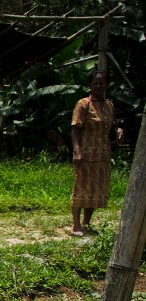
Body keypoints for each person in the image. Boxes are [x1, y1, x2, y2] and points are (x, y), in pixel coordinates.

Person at [70, 69, 124, 236]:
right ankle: (76, 225)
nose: (99, 86)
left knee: (96, 190)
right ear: (90, 85)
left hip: (103, 155)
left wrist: (119, 131)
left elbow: (112, 126)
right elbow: (74, 128)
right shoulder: (83, 104)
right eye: (96, 83)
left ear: (106, 85)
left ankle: (87, 223)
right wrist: (77, 150)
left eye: (102, 83)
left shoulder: (109, 105)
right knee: (81, 188)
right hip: (85, 154)